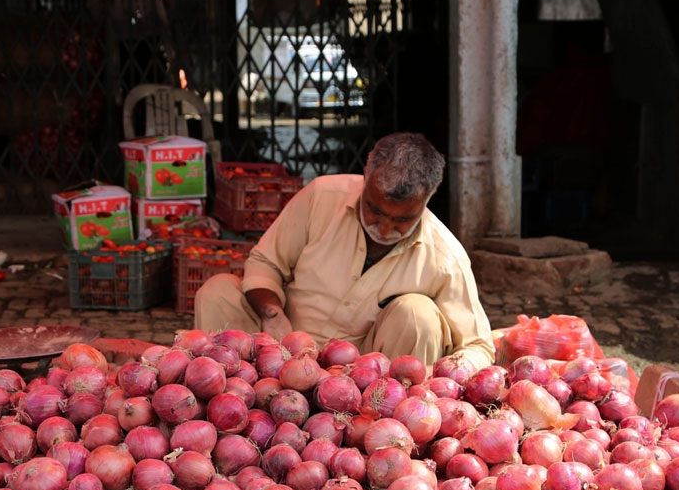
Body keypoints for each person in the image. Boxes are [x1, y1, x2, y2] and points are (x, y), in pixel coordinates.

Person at [194, 132, 495, 368]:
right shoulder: (322, 196)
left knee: (419, 314)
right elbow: (265, 263)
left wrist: (446, 374)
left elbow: (479, 346)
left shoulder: (445, 255)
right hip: (280, 349)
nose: (385, 229)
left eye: (403, 219)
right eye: (375, 210)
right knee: (218, 291)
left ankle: (392, 428)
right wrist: (272, 314)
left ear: (429, 197)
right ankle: (225, 397)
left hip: (367, 380)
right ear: (366, 173)